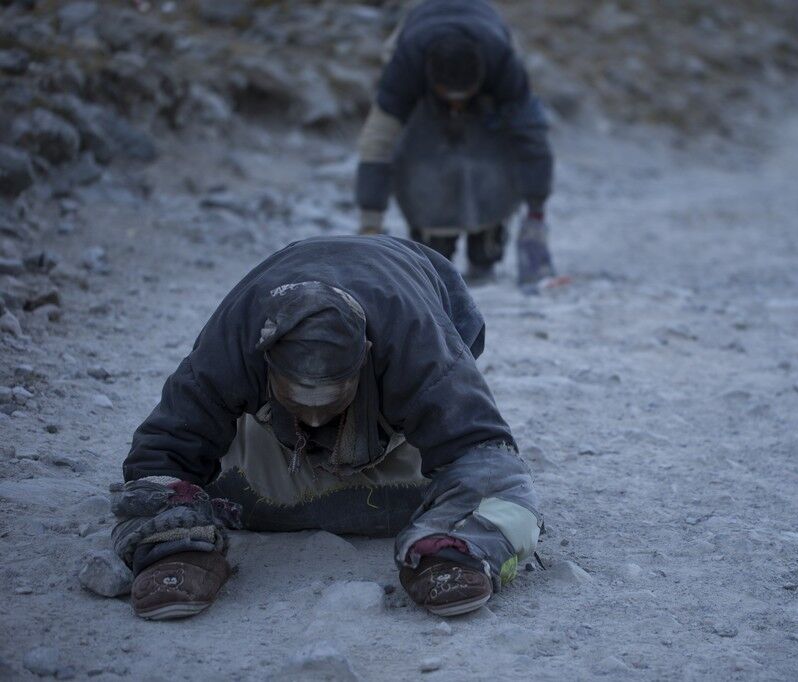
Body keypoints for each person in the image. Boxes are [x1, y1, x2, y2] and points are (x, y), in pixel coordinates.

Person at [112, 236, 541, 620]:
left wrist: (458, 548)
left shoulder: (420, 347)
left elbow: (485, 450)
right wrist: (171, 544)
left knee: (508, 493)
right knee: (161, 491)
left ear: (366, 357)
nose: (315, 418)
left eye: (330, 398)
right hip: (275, 422)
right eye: (300, 397)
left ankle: (452, 545)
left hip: (404, 370)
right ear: (266, 360)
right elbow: (161, 450)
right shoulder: (235, 338)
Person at [355, 0, 556, 286]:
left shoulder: (503, 62)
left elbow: (531, 136)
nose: (457, 103)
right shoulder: (406, 63)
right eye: (449, 95)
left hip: (488, 45)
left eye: (464, 95)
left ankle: (487, 241)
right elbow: (377, 141)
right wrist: (370, 226)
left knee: (494, 148)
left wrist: (536, 214)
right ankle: (432, 238)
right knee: (422, 156)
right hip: (419, 54)